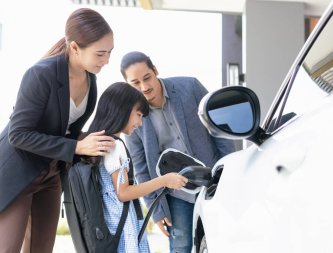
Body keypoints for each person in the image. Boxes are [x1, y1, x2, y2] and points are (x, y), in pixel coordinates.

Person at [0, 8, 115, 253]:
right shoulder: (40, 75)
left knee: (41, 250)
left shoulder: (91, 80)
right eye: (100, 53)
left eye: (109, 53)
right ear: (75, 48)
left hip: (51, 173)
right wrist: (76, 146)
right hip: (18, 173)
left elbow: (67, 130)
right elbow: (18, 134)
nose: (106, 60)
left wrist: (96, 141)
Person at [120, 51, 237, 253]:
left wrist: (228, 170)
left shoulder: (190, 87)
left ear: (155, 71)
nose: (144, 87)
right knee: (180, 245)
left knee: (223, 238)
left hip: (213, 180)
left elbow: (219, 130)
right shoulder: (131, 116)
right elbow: (140, 168)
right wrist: (156, 210)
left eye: (147, 78)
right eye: (136, 83)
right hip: (175, 192)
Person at [85, 82, 189, 253]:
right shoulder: (115, 146)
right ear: (122, 109)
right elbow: (124, 193)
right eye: (139, 115)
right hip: (122, 228)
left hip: (110, 227)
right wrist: (164, 180)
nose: (140, 123)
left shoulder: (98, 143)